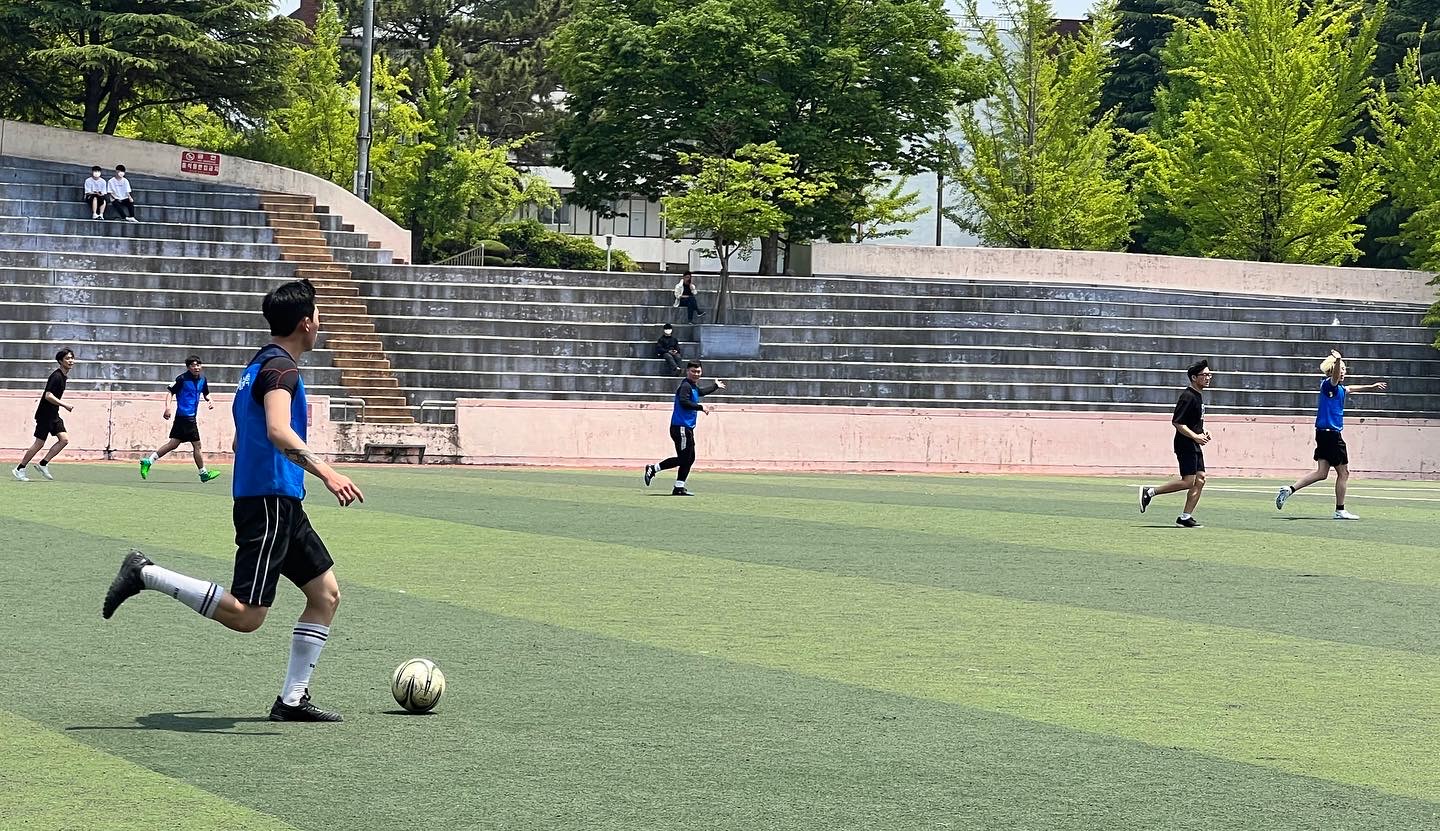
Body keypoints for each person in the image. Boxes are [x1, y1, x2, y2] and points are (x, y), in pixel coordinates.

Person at [103, 280, 365, 723]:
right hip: (268, 502)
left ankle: (292, 700)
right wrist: (328, 472)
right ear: (305, 322)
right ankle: (145, 573)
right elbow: (277, 430)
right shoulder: (281, 370)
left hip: (280, 500)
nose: (321, 323)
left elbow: (244, 437)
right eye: (318, 315)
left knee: (325, 594)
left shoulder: (257, 367)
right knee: (247, 616)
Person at [1275, 349, 1388, 519]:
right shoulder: (1329, 384)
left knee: (1322, 473)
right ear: (1332, 370)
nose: (1343, 371)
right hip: (1332, 435)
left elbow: (1351, 388)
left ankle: (1289, 489)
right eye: (1340, 369)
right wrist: (1338, 359)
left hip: (1323, 434)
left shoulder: (1340, 388)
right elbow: (1335, 378)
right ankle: (1340, 510)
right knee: (1344, 473)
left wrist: (1370, 387)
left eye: (1344, 369)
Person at [1138, 359, 1214, 528]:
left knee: (1200, 479)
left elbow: (1192, 421)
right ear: (1194, 377)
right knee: (1188, 481)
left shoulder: (1198, 396)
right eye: (1205, 375)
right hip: (1185, 444)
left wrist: (1203, 431)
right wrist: (1195, 437)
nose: (1208, 378)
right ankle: (1150, 492)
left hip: (1193, 443)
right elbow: (1178, 422)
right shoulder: (1188, 396)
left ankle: (1185, 517)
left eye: (1210, 374)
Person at [644, 361, 726, 496]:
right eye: (693, 371)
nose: (696, 374)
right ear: (687, 371)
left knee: (690, 458)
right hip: (680, 427)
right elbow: (684, 402)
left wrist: (715, 386)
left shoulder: (692, 386)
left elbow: (701, 392)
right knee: (684, 458)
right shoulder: (685, 386)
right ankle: (653, 468)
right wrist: (700, 407)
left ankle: (679, 487)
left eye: (698, 371)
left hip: (687, 428)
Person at [139, 356, 222, 483]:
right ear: (188, 367)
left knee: (173, 444)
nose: (196, 367)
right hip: (186, 417)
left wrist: (210, 400)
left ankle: (149, 461)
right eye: (193, 365)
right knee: (197, 445)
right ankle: (203, 473)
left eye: (198, 365)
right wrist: (168, 408)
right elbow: (170, 392)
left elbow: (206, 393)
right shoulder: (182, 379)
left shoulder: (203, 379)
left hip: (187, 417)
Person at [13, 348, 77, 482]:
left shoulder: (63, 376)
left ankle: (43, 464)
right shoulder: (56, 376)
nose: (71, 361)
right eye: (67, 358)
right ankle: (20, 468)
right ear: (60, 361)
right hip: (45, 415)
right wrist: (65, 405)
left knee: (64, 440)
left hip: (54, 414)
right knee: (39, 443)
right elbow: (48, 396)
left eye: (72, 358)